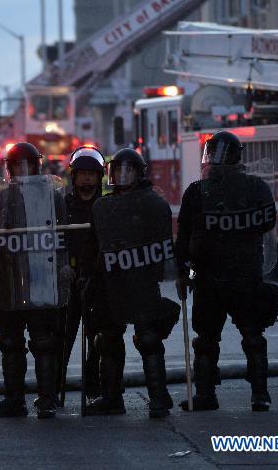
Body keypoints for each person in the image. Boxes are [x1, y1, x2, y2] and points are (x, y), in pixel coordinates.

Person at [175, 131, 278, 412]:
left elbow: (267, 225)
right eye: (212, 153)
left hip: (240, 274)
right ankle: (212, 395)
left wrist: (182, 270)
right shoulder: (198, 192)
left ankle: (258, 393)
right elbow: (183, 237)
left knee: (250, 337)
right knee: (209, 341)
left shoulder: (252, 188)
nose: (214, 161)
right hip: (213, 276)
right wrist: (181, 272)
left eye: (221, 154)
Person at [0, 142, 69, 419]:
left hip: (42, 277)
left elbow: (65, 240)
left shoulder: (53, 197)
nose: (24, 171)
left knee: (43, 342)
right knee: (10, 343)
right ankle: (15, 400)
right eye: (18, 166)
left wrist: (67, 271)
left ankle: (47, 398)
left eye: (28, 165)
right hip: (8, 279)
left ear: (38, 166)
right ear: (9, 168)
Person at [90, 149, 179, 419]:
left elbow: (163, 247)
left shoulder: (154, 204)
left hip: (142, 280)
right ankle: (111, 398)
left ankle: (158, 398)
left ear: (140, 173)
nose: (122, 176)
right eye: (118, 170)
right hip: (112, 281)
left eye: (128, 170)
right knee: (107, 339)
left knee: (149, 339)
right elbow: (98, 245)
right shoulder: (102, 207)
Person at [59, 146, 106, 407]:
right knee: (61, 339)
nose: (86, 179)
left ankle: (94, 387)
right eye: (82, 174)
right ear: (73, 177)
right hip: (68, 280)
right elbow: (55, 239)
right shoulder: (62, 206)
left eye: (91, 174)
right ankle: (54, 389)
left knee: (98, 340)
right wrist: (64, 265)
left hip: (98, 281)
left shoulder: (107, 206)